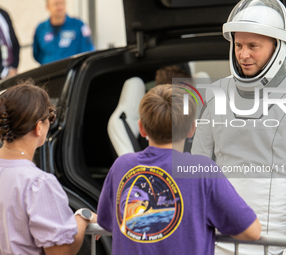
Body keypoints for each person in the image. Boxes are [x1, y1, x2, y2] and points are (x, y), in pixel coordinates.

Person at [191, 0, 286, 254]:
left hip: (277, 249)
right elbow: (198, 174)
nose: (243, 54)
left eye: (253, 46)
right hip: (217, 245)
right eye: (238, 45)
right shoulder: (216, 95)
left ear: (277, 46)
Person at [97, 84, 261, 255]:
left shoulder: (121, 166)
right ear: (192, 129)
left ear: (141, 127)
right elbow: (252, 231)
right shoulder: (202, 170)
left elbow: (108, 222)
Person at [0, 80, 98, 255]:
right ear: (38, 127)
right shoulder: (37, 182)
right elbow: (61, 251)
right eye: (49, 117)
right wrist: (83, 216)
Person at [33, 0, 95, 65]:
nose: (60, 7)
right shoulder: (41, 28)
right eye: (56, 4)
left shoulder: (78, 25)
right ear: (48, 7)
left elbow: (88, 51)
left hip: (72, 71)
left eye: (62, 3)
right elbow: (37, 54)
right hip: (48, 72)